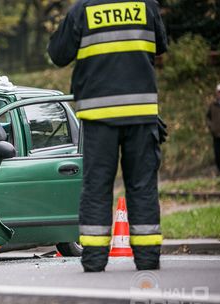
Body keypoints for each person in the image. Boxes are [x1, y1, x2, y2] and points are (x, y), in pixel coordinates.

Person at [48, 0, 167, 272]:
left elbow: (58, 54)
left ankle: (94, 260)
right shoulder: (146, 7)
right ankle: (148, 259)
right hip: (141, 113)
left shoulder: (83, 9)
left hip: (99, 115)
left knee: (97, 187)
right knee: (143, 185)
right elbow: (160, 45)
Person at [207, 83, 220, 175]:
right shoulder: (213, 105)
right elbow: (208, 117)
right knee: (217, 153)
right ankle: (219, 170)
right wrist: (211, 127)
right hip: (216, 133)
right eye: (219, 92)